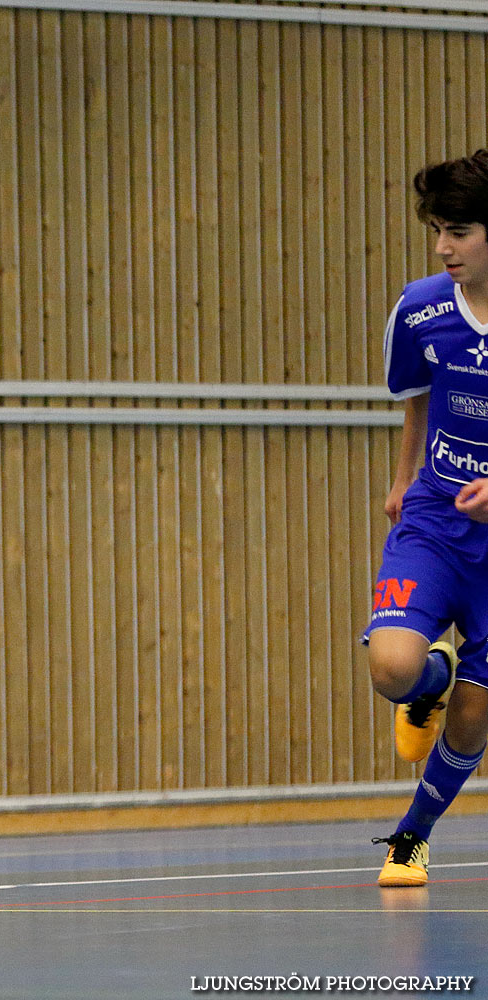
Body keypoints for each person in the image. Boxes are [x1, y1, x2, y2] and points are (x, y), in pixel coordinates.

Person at [365, 149, 488, 887]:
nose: (443, 247)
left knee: (474, 719)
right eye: (437, 230)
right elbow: (418, 393)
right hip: (437, 523)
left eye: (460, 231)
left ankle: (412, 834)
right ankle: (427, 677)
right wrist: (404, 480)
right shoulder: (423, 307)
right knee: (391, 667)